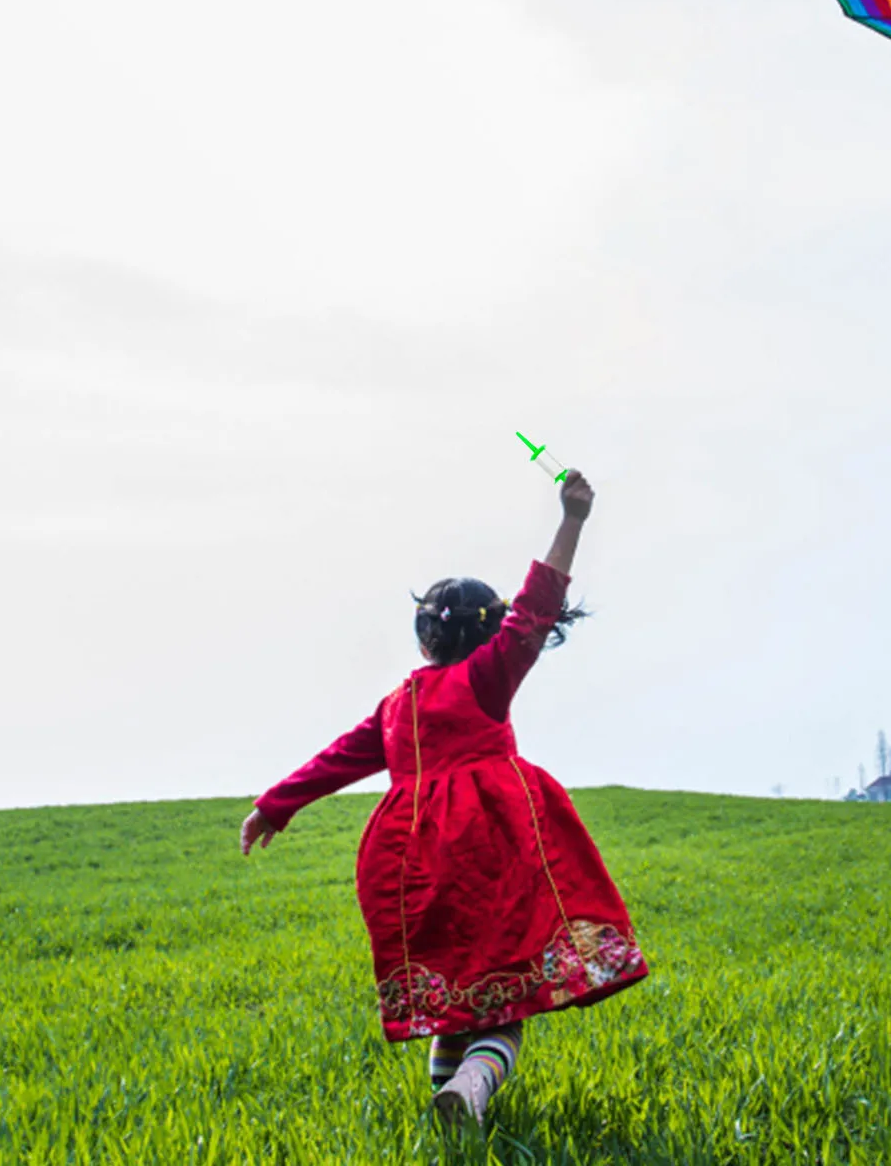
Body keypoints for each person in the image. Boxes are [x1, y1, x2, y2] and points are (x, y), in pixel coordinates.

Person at [239, 471, 647, 1128]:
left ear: (423, 637)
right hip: (489, 847)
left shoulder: (397, 706)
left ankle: (450, 1105)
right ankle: (478, 1083)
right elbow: (537, 608)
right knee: (504, 1003)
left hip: (408, 865)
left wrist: (274, 805)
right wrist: (573, 520)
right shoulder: (488, 678)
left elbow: (338, 758)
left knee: (453, 996)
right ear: (488, 638)